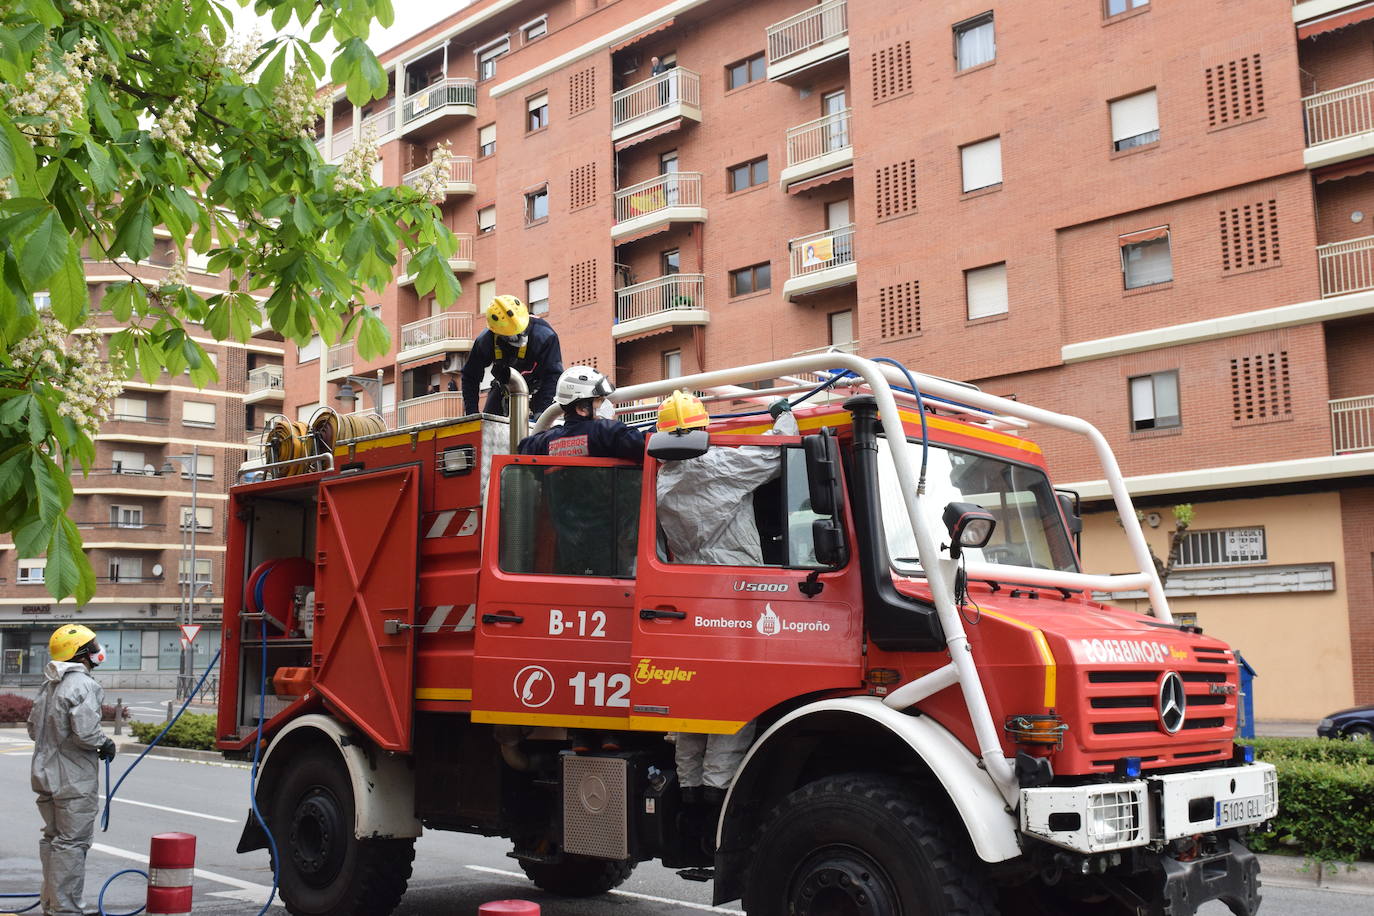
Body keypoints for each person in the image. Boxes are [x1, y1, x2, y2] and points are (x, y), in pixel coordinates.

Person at [653, 390, 797, 822]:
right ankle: (718, 796)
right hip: (737, 594)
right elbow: (775, 453)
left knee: (694, 702)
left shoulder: (660, 480)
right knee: (732, 703)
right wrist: (783, 415)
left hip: (688, 595)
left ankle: (692, 792)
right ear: (703, 430)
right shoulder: (719, 464)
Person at [27, 624, 116, 916]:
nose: (98, 651)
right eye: (93, 646)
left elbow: (32, 729)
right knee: (72, 845)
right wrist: (105, 743)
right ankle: (65, 911)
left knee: (53, 840)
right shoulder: (84, 685)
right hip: (73, 781)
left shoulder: (49, 684)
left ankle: (52, 906)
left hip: (44, 776)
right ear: (82, 654)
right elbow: (86, 733)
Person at [461, 295, 563, 419]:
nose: (521, 336)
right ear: (497, 333)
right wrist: (472, 413)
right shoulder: (486, 341)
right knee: (487, 428)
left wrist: (542, 413)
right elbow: (470, 376)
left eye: (522, 329)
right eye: (513, 336)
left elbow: (553, 376)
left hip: (540, 389)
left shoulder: (544, 336)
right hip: (504, 387)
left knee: (540, 428)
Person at [518, 365, 645, 460]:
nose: (607, 405)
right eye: (600, 400)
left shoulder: (543, 442)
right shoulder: (605, 432)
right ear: (582, 409)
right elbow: (643, 444)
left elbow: (523, 447)